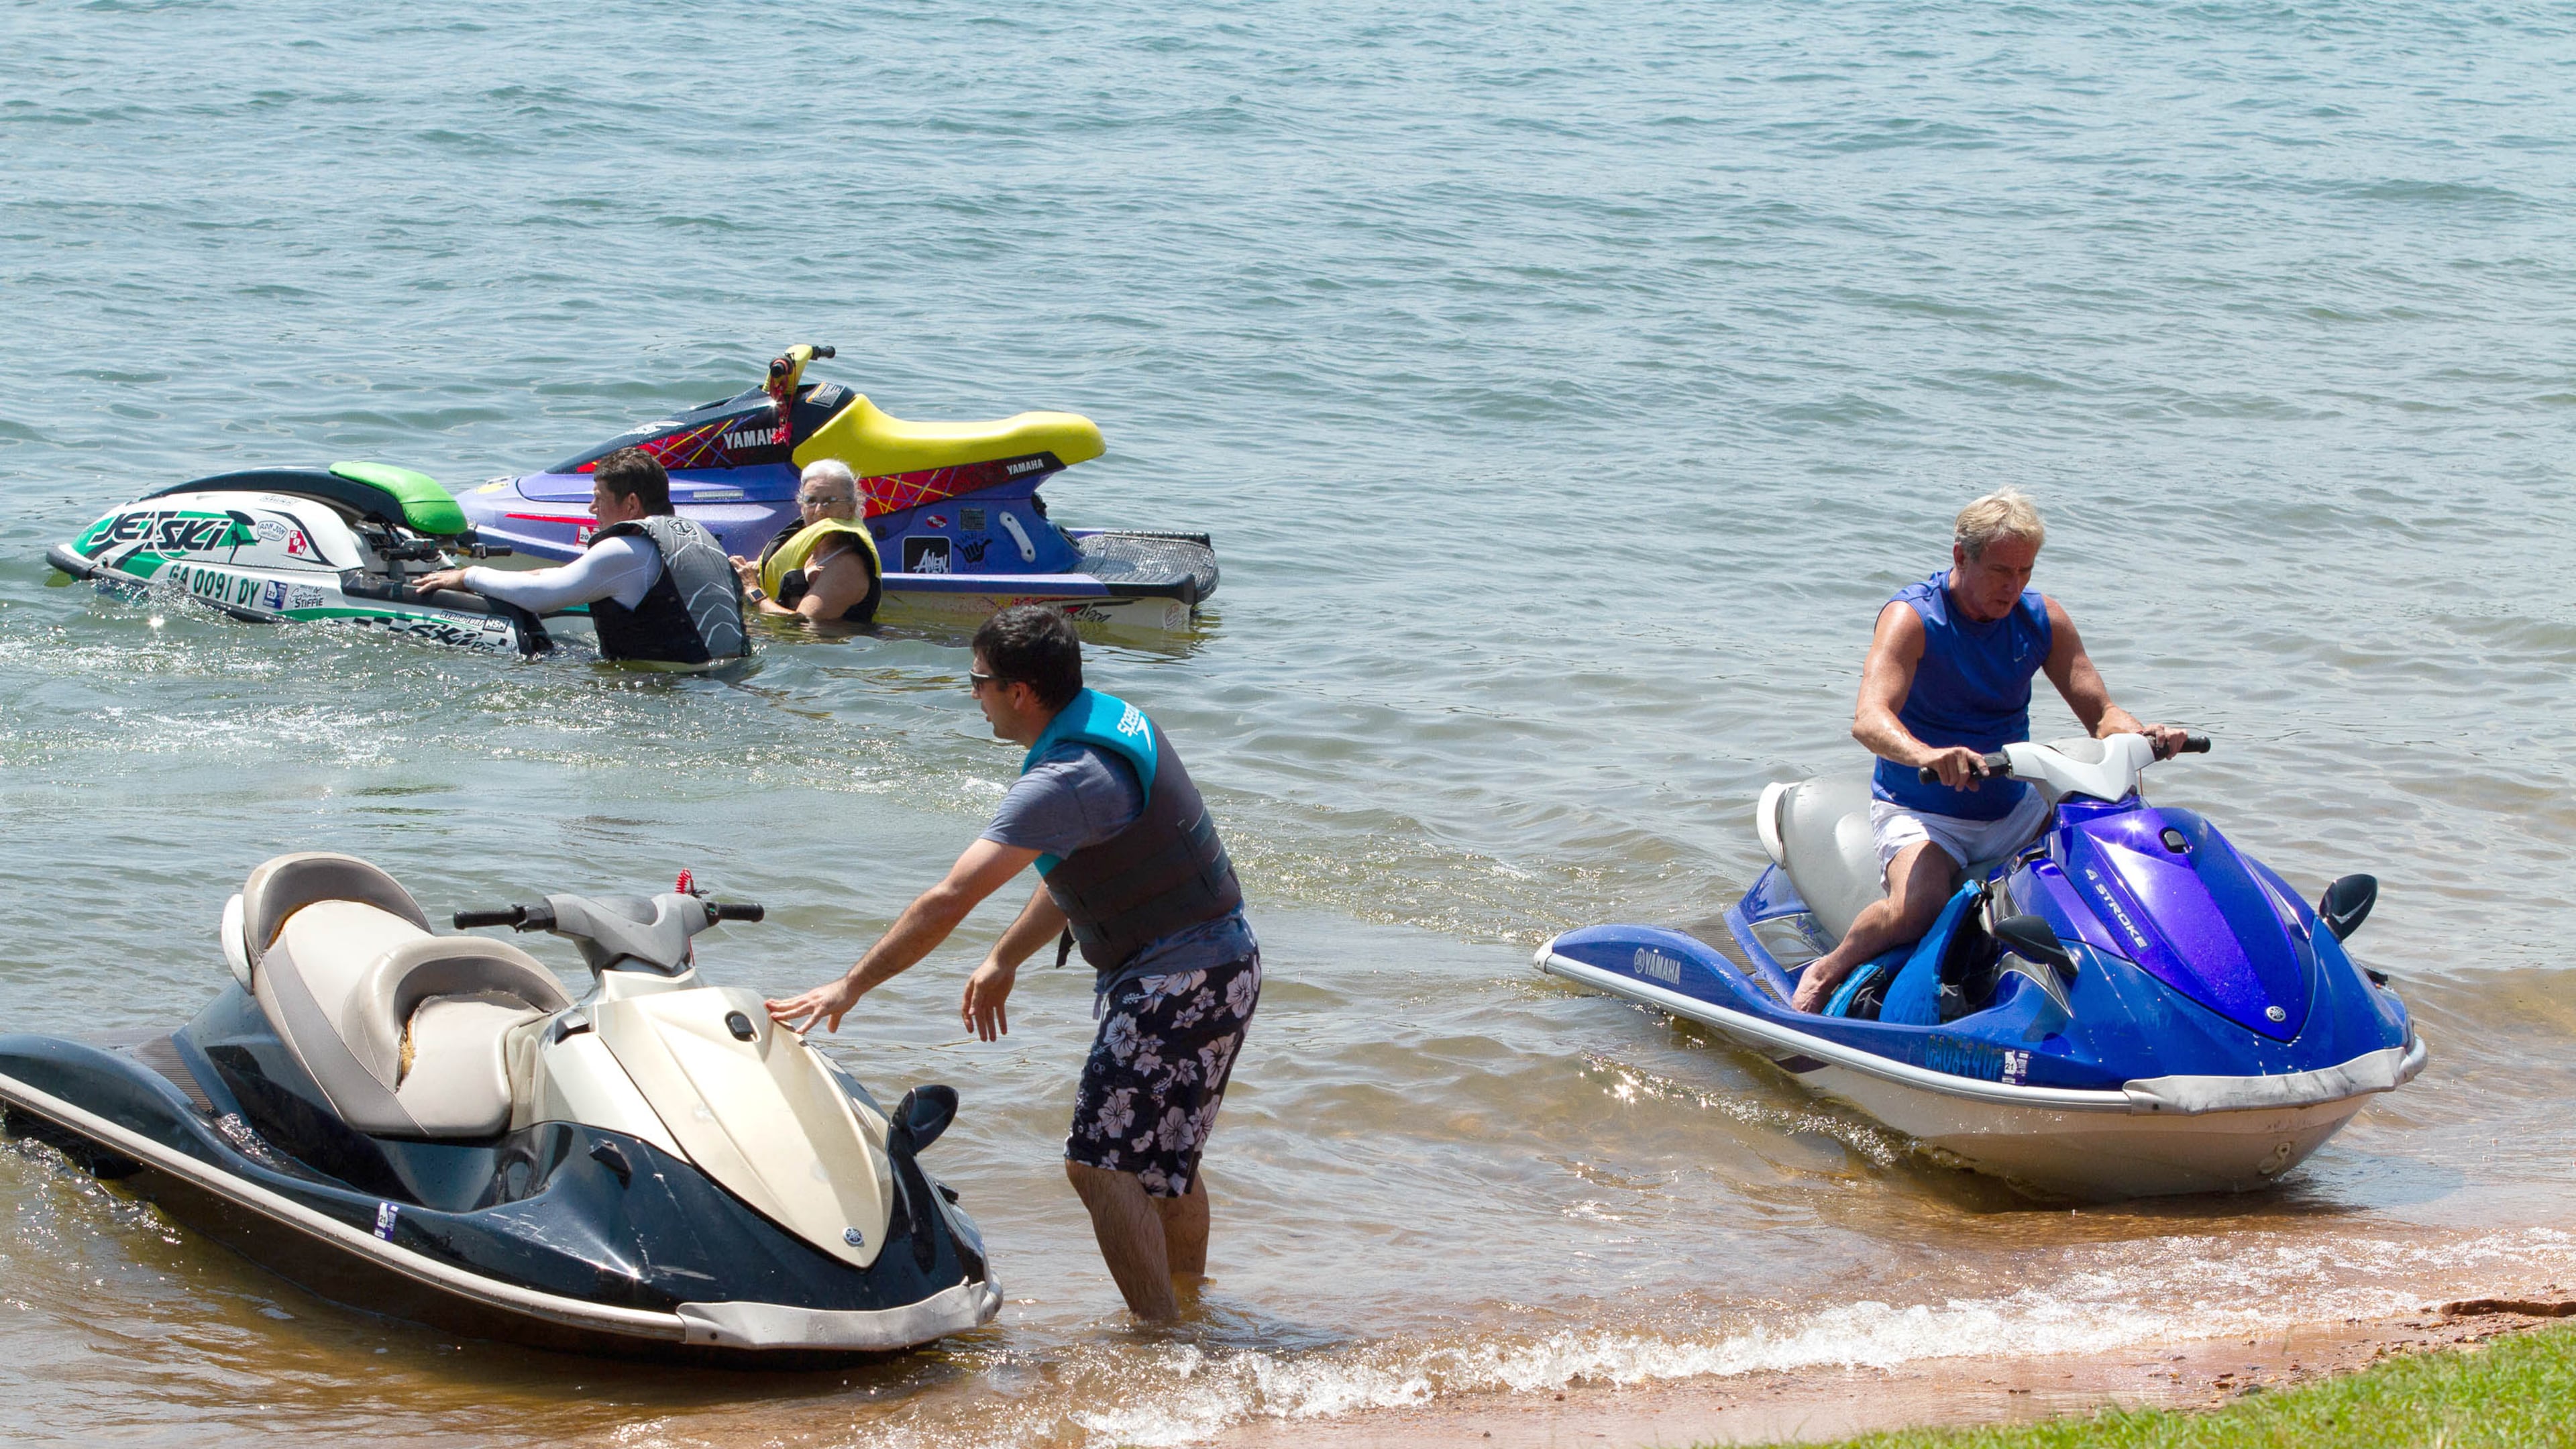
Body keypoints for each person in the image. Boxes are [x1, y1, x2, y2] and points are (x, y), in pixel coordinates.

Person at [767, 605, 1258, 1322]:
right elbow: (1094, 868)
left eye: (978, 681)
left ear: (1019, 692)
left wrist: (852, 984)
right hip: (1226, 965)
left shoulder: (1062, 779)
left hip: (1175, 984)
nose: (973, 695)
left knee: (1099, 1163)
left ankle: (1162, 1340)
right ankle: (1193, 1312)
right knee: (1166, 1163)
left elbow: (947, 899)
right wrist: (1005, 957)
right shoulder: (1111, 726)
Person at [1789, 489, 2188, 1014]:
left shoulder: (2041, 618)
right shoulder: (1912, 619)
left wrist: (2142, 737)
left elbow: (2102, 715)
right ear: (1961, 556)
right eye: (2002, 570)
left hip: (2013, 809)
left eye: (2026, 570)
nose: (2014, 585)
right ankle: (1826, 973)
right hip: (1923, 811)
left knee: (2111, 861)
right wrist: (1926, 755)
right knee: (1919, 906)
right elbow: (1869, 719)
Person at [414, 447, 748, 667]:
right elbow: (567, 576)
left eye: (598, 498)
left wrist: (468, 575)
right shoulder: (698, 537)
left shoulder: (627, 550)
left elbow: (542, 598)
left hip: (671, 689)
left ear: (631, 504)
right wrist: (529, 574)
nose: (592, 509)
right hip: (725, 677)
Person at [730, 459, 883, 627]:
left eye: (830, 501)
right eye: (811, 501)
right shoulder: (805, 549)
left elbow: (803, 627)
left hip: (829, 649)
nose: (819, 511)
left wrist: (753, 590)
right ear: (802, 506)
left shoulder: (848, 565)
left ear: (850, 508)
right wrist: (746, 571)